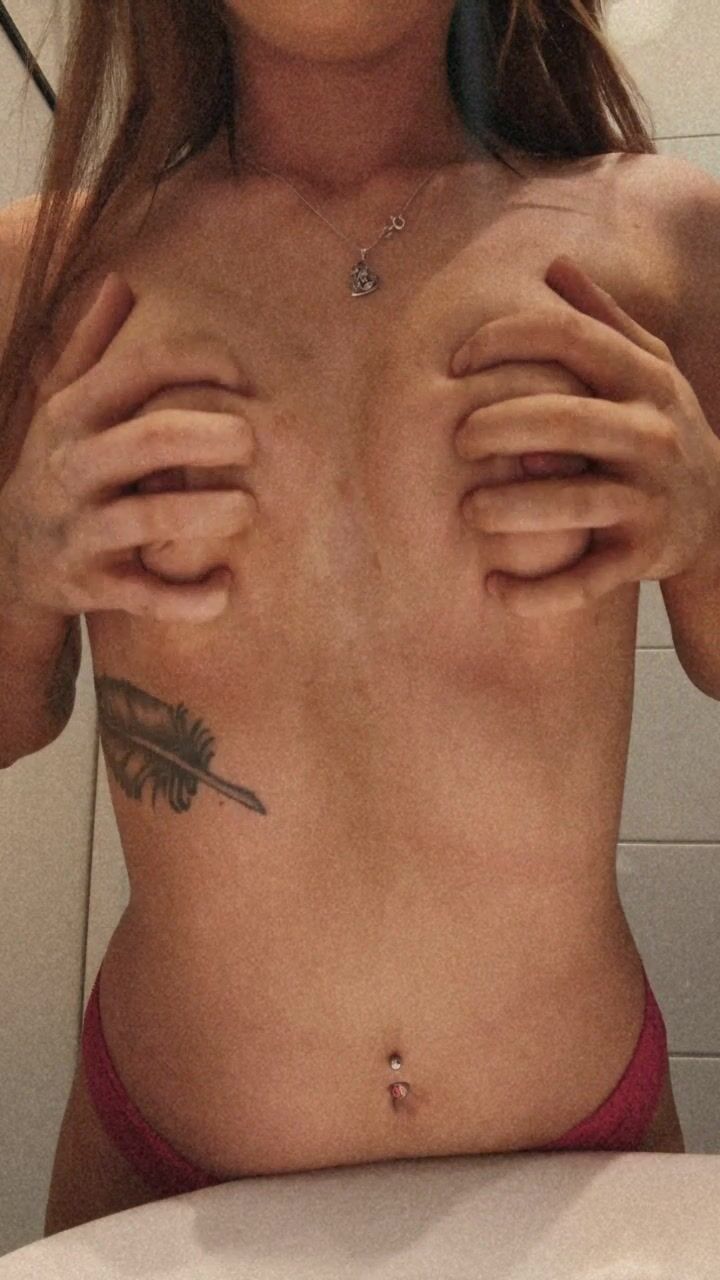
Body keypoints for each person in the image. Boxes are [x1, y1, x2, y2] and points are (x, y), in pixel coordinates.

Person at [0, 0, 689, 1239]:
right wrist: (15, 564)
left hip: (583, 1138)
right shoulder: (42, 273)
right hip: (165, 1150)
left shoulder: (665, 234)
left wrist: (712, 518)